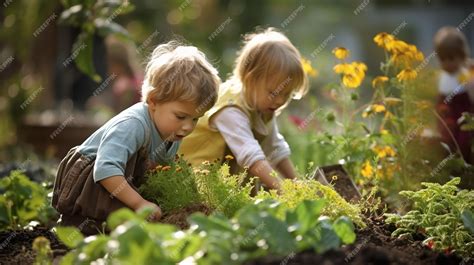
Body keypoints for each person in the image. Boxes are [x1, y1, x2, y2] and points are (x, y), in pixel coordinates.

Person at [52, 41, 220, 235]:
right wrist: (140, 203)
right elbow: (105, 170)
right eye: (181, 116)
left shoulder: (173, 131)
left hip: (118, 177)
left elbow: (163, 172)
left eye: (196, 119)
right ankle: (77, 226)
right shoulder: (133, 125)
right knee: (95, 227)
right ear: (153, 101)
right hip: (89, 182)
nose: (188, 126)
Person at [179, 28, 309, 192]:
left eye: (287, 93)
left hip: (223, 184)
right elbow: (251, 157)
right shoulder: (230, 110)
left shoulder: (263, 105)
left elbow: (275, 149)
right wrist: (284, 190)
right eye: (273, 93)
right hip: (194, 179)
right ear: (250, 79)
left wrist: (297, 184)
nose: (280, 100)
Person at [434, 26, 473, 163]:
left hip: (463, 116)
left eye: (451, 58)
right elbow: (440, 98)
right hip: (446, 116)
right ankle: (450, 168)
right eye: (442, 59)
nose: (447, 63)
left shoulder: (466, 73)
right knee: (445, 142)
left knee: (464, 141)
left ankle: (465, 166)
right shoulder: (442, 76)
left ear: (461, 56)